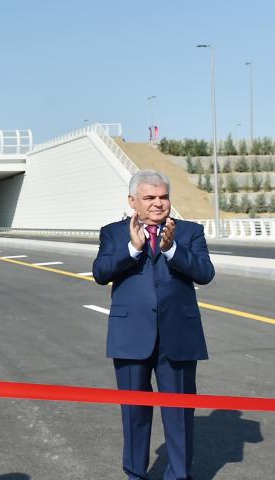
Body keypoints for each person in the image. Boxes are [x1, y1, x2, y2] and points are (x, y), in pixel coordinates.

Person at [92, 170, 215, 480]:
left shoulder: (189, 232)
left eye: (163, 197)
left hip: (179, 336)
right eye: (150, 198)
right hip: (131, 335)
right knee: (134, 412)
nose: (159, 203)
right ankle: (135, 474)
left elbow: (205, 272)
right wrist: (131, 250)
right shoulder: (113, 233)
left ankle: (178, 475)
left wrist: (172, 249)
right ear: (133, 201)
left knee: (179, 413)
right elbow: (101, 272)